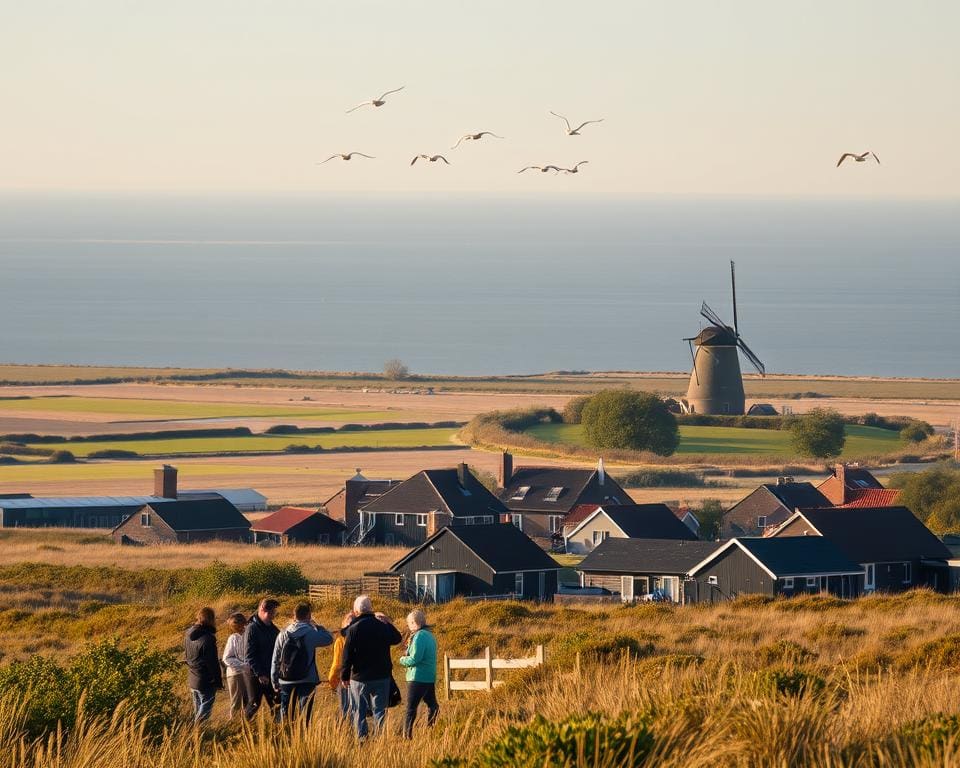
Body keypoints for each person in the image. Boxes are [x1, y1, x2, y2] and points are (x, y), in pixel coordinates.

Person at [340, 595, 402, 739]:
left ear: (356, 611)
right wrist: (387, 622)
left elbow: (347, 654)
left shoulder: (353, 629)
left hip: (359, 677)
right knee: (380, 710)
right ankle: (380, 739)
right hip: (381, 676)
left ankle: (362, 739)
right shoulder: (382, 626)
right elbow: (397, 638)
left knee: (359, 710)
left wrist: (344, 675)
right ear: (371, 608)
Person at [271, 601, 333, 723]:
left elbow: (275, 659)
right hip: (307, 678)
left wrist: (274, 681)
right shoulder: (311, 633)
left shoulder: (283, 634)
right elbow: (329, 639)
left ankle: (287, 731)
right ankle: (303, 732)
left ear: (294, 616)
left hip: (286, 679)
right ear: (309, 615)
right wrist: (318, 626)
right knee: (305, 713)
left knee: (286, 712)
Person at [398, 609, 439, 739]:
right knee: (433, 705)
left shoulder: (419, 636)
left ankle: (406, 736)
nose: (408, 626)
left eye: (409, 623)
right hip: (429, 677)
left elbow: (416, 658)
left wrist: (402, 660)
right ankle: (431, 729)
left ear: (414, 623)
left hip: (417, 677)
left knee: (410, 708)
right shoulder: (430, 635)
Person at [242, 597, 280, 720]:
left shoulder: (272, 628)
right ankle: (245, 728)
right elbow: (249, 655)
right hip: (254, 674)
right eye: (271, 612)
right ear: (262, 609)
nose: (273, 615)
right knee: (254, 704)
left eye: (274, 612)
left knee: (276, 702)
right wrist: (260, 674)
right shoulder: (252, 628)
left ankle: (278, 729)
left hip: (270, 672)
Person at [184, 607, 222, 724]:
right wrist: (218, 681)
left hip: (193, 677)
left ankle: (197, 731)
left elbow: (187, 655)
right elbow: (212, 662)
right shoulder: (208, 638)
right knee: (205, 709)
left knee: (198, 708)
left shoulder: (188, 633)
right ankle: (197, 729)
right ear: (211, 619)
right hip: (205, 680)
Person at [327, 612, 355, 722]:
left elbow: (337, 664)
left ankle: (346, 729)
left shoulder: (340, 641)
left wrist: (332, 680)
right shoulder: (362, 638)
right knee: (357, 708)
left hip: (344, 679)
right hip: (359, 678)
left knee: (345, 708)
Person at [221, 612, 249, 719]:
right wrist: (243, 665)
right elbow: (226, 658)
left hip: (248, 673)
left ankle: (246, 723)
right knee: (237, 702)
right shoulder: (233, 638)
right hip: (235, 674)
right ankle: (234, 723)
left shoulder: (249, 635)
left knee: (248, 701)